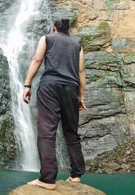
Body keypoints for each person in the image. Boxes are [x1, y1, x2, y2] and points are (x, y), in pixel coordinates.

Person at [23, 18, 87, 190]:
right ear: (68, 30)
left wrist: (27, 84)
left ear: (54, 28)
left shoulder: (47, 38)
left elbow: (37, 60)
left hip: (50, 86)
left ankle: (47, 179)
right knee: (71, 132)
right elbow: (81, 71)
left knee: (46, 130)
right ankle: (76, 175)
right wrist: (81, 96)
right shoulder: (77, 46)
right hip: (72, 89)